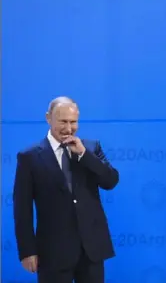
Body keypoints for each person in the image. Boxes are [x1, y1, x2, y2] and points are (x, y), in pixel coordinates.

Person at [13, 96, 119, 283]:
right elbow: (22, 209)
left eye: (73, 122)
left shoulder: (91, 148)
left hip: (91, 251)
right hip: (53, 253)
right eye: (63, 122)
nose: (68, 129)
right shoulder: (29, 157)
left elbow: (110, 181)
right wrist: (27, 251)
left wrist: (84, 155)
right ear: (48, 118)